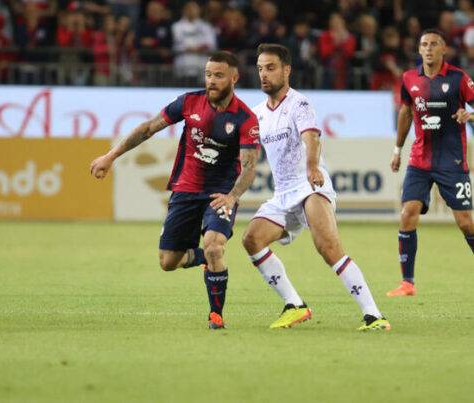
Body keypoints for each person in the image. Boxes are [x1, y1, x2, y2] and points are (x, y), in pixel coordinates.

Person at [90, 51, 261, 329]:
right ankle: (203, 257)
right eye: (208, 74)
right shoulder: (189, 102)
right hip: (185, 191)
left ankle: (216, 315)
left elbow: (250, 166)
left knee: (215, 245)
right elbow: (148, 128)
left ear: (234, 78)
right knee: (168, 262)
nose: (211, 80)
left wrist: (232, 196)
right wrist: (111, 156)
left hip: (219, 195)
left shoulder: (245, 118)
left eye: (218, 75)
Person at [242, 44, 391, 332]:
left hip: (310, 187)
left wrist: (312, 167)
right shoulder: (257, 114)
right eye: (260, 69)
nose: (264, 74)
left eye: (270, 68)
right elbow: (246, 154)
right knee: (252, 239)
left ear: (286, 70)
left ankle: (374, 315)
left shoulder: (299, 104)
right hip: (282, 195)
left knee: (328, 248)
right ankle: (294, 305)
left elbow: (311, 137)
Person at [387, 29, 474, 297]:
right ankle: (407, 283)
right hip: (419, 160)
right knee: (407, 213)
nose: (428, 48)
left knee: (465, 222)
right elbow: (405, 112)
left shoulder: (459, 78)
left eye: (434, 44)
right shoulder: (409, 78)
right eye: (424, 44)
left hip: (452, 161)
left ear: (444, 49)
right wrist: (397, 149)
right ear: (419, 49)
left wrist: (469, 115)